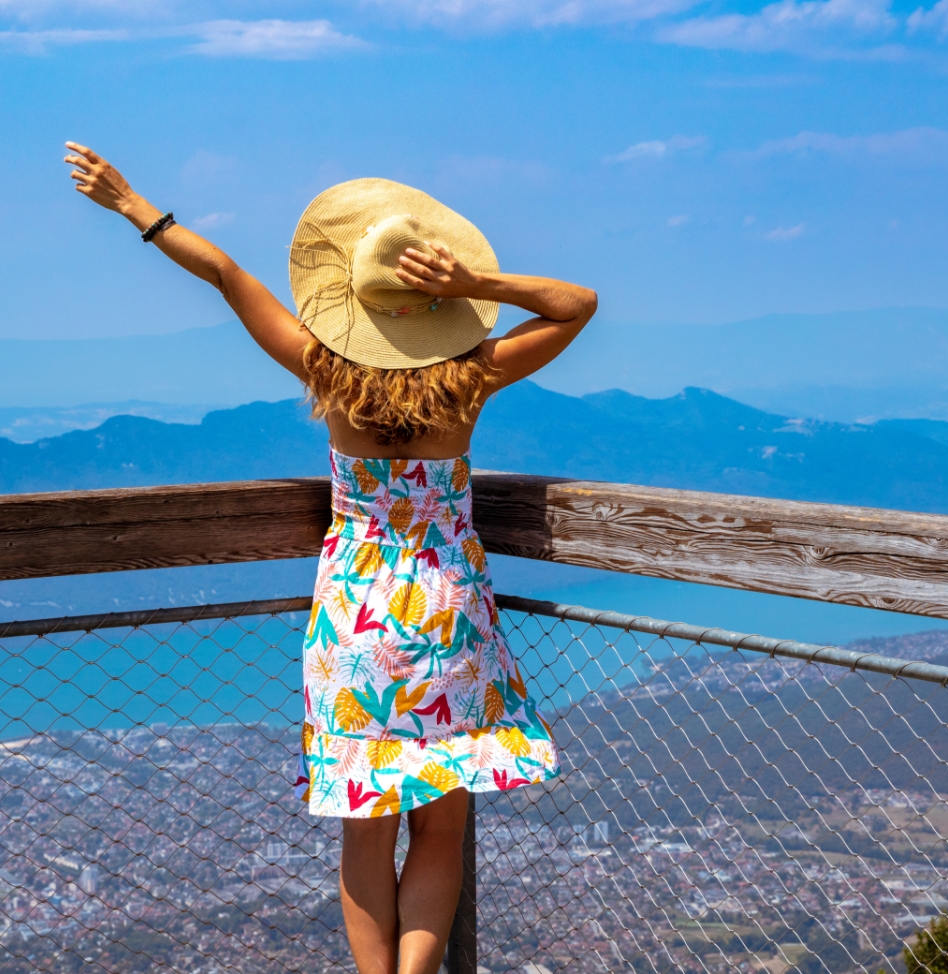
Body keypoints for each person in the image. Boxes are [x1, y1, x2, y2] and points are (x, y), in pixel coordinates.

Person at [64, 142, 596, 974]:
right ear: (428, 303)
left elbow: (227, 275)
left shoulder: (327, 370)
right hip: (446, 616)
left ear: (355, 303)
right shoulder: (471, 379)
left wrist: (134, 205)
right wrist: (473, 287)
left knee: (365, 827)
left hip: (353, 619)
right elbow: (576, 305)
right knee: (442, 827)